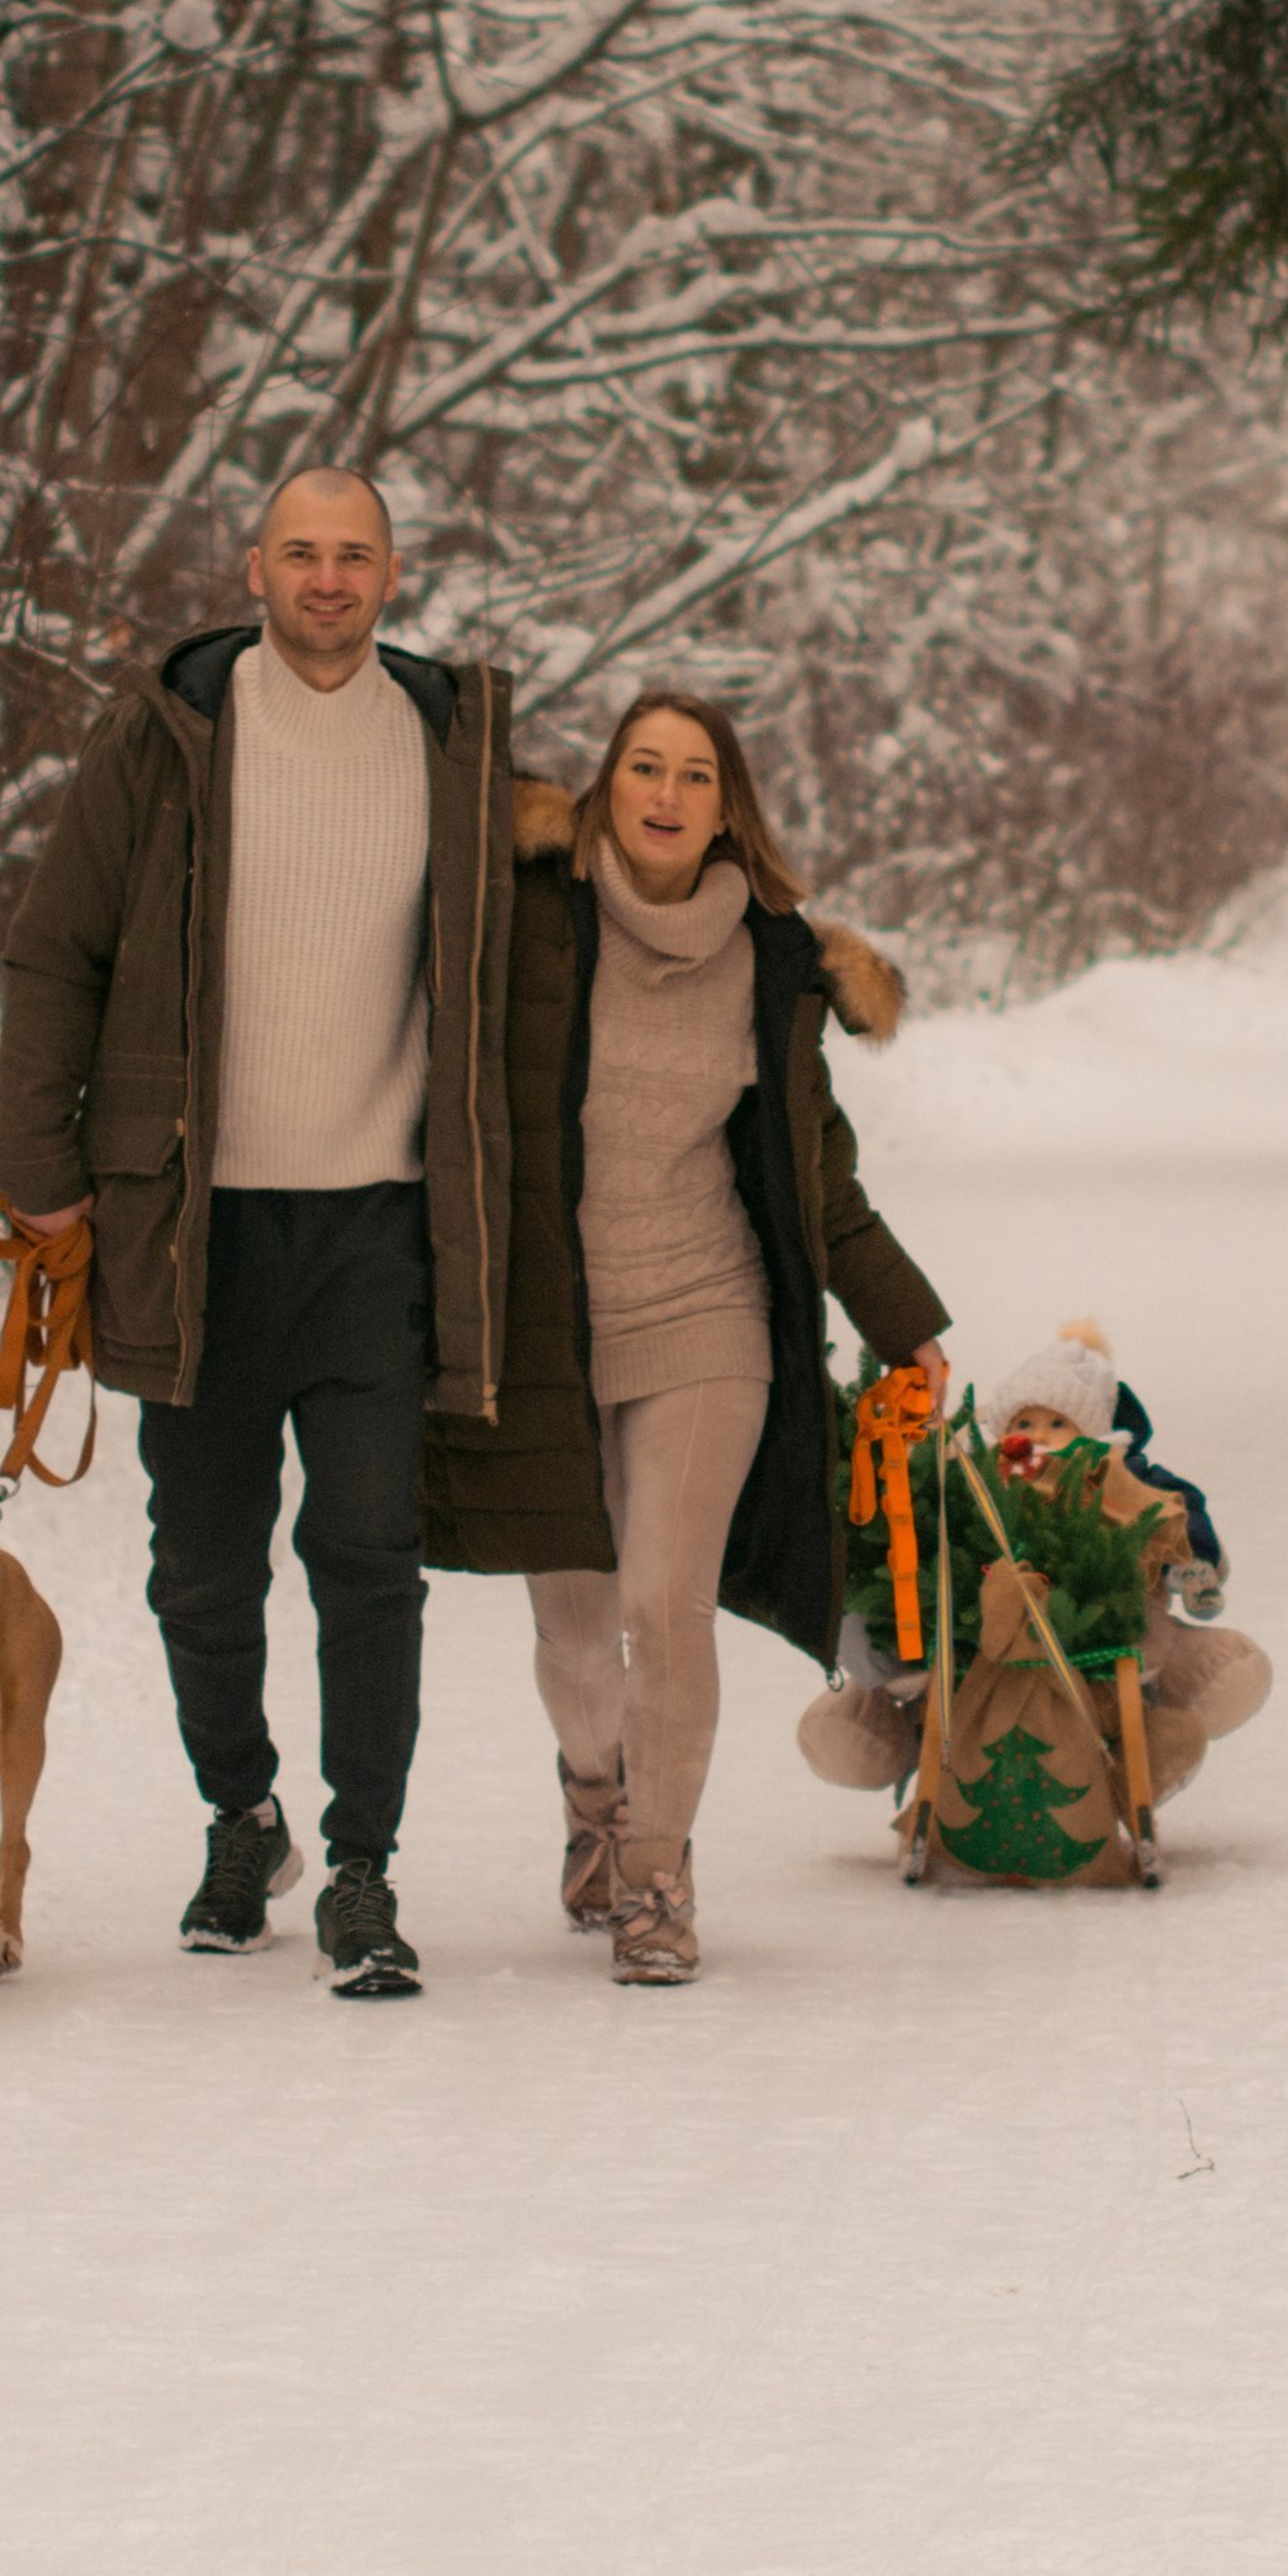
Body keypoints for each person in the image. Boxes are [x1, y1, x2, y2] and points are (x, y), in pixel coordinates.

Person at [0, 469, 513, 1998]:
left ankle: (361, 1872)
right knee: (201, 1569)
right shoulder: (170, 739)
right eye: (302, 553)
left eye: (355, 555)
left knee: (369, 1556)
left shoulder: (453, 745)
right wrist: (41, 1168)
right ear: (255, 568)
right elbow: (52, 951)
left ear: (396, 573)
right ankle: (243, 1819)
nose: (329, 579)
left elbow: (520, 960)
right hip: (187, 1228)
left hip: (376, 1229)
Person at [420, 690, 947, 1985]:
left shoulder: (774, 962)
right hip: (551, 1320)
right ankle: (592, 1798)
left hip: (706, 1309)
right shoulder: (532, 920)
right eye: (643, 767)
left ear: (730, 807)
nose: (666, 793)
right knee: (575, 1623)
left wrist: (905, 1321)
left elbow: (815, 1173)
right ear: (604, 790)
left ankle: (655, 1874)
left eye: (695, 774)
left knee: (666, 1601)